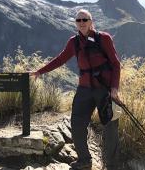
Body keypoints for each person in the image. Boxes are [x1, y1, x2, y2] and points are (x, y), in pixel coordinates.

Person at [30, 9, 121, 170]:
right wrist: (39, 71)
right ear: (76, 23)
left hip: (104, 90)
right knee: (77, 123)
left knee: (110, 126)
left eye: (84, 20)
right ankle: (84, 160)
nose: (81, 23)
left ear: (91, 21)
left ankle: (113, 165)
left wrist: (114, 88)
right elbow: (60, 59)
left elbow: (115, 63)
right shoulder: (74, 42)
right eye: (78, 20)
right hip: (84, 89)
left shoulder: (104, 38)